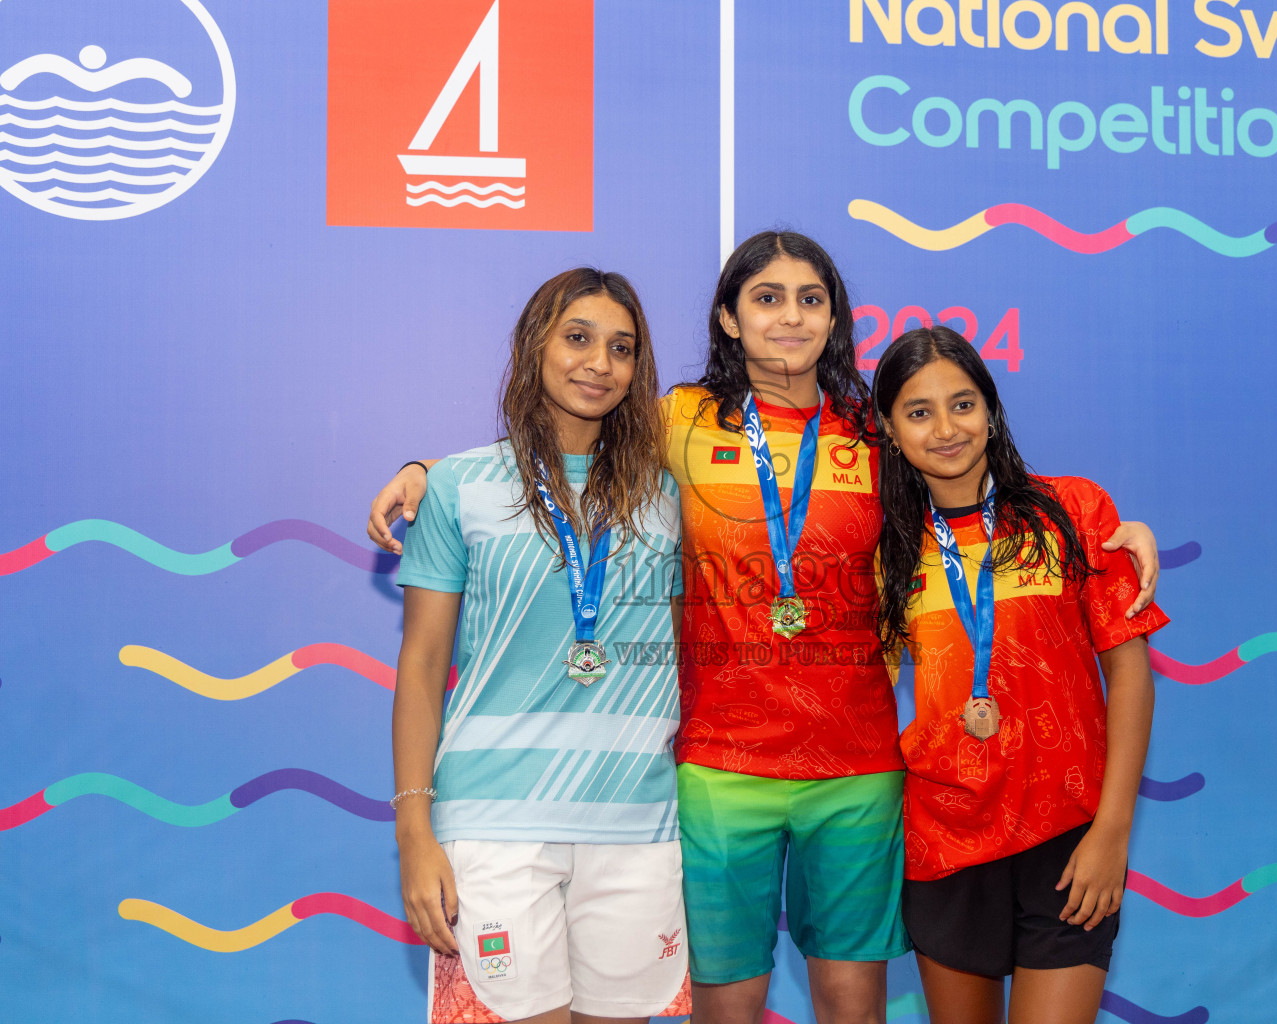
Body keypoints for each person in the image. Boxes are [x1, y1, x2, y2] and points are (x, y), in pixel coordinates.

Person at [369, 232, 1161, 1024]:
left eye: (810, 299)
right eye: (767, 298)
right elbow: (570, 443)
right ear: (728, 318)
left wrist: (1110, 534)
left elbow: (972, 492)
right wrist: (427, 474)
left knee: (853, 1001)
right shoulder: (679, 421)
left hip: (856, 770)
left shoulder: (874, 434)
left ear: (835, 318)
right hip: (720, 765)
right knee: (729, 1002)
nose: (790, 317)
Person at [391, 268, 689, 1024]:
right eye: (578, 338)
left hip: (637, 826)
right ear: (534, 347)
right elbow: (423, 667)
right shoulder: (459, 486)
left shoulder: (667, 493)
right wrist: (413, 832)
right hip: (494, 826)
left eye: (621, 348)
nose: (599, 363)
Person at [871, 326, 1167, 1024]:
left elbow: (1129, 675)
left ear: (992, 410)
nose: (946, 428)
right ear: (889, 429)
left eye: (963, 404)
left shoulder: (1073, 512)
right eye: (919, 411)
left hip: (1070, 840)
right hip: (946, 843)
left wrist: (1113, 832)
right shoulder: (885, 551)